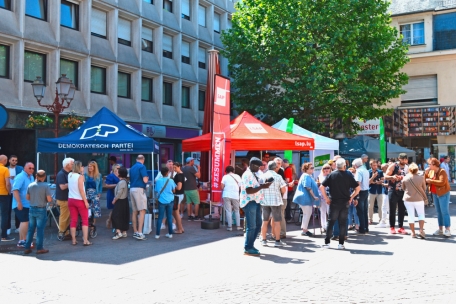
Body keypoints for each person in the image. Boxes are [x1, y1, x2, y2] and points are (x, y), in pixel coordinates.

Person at [319, 158, 360, 250]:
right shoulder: (348, 175)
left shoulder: (331, 175)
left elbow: (322, 187)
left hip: (334, 201)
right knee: (342, 222)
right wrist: (351, 197)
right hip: (345, 201)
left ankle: (327, 243)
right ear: (344, 166)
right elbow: (358, 188)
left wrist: (326, 198)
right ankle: (341, 244)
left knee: (331, 222)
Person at [240, 157, 272, 256]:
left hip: (256, 201)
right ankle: (248, 247)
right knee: (252, 226)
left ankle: (251, 245)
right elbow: (249, 191)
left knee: (258, 224)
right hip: (249, 202)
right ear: (252, 165)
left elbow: (259, 182)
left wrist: (267, 182)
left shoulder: (255, 173)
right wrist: (262, 186)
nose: (259, 168)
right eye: (258, 166)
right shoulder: (247, 174)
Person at [24, 170, 52, 254]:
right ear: (44, 177)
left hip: (32, 208)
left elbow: (27, 198)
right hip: (41, 209)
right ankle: (39, 248)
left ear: (36, 176)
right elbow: (49, 199)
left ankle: (27, 247)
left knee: (31, 229)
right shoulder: (45, 186)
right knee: (40, 229)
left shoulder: (30, 185)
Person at [260, 161, 287, 247]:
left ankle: (264, 240)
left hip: (265, 201)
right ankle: (277, 241)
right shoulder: (278, 176)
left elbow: (259, 189)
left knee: (264, 221)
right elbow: (284, 190)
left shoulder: (263, 176)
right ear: (276, 168)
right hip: (276, 201)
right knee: (277, 221)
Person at [425, 158, 451, 237]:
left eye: (429, 164)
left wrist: (431, 181)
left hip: (443, 193)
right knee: (439, 212)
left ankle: (447, 229)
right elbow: (426, 180)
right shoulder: (431, 171)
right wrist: (426, 173)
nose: (428, 166)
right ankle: (440, 229)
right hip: (435, 193)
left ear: (434, 165)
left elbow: (442, 182)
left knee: (444, 212)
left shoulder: (442, 171)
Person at [384, 153, 409, 235]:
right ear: (399, 159)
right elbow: (385, 176)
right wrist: (392, 177)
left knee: (402, 209)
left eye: (405, 159)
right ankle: (392, 227)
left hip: (403, 190)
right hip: (393, 190)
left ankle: (401, 227)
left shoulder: (407, 167)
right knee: (392, 209)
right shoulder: (393, 166)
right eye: (403, 159)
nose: (404, 160)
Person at [293, 162, 320, 237]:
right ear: (306, 169)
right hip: (304, 197)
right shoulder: (306, 176)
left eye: (313, 168)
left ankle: (304, 229)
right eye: (311, 168)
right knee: (307, 213)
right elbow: (307, 187)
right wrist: (314, 196)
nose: (313, 169)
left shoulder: (307, 176)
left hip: (304, 197)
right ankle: (305, 230)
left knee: (307, 213)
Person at [68, 161, 91, 246]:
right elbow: (81, 190)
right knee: (85, 220)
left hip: (71, 199)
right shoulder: (80, 176)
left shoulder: (69, 175)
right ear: (79, 167)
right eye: (82, 166)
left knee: (73, 220)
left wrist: (81, 173)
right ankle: (85, 240)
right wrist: (85, 201)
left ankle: (73, 240)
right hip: (79, 200)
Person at [12, 162, 35, 248]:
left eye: (33, 168)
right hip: (21, 204)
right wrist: (19, 202)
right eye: (30, 168)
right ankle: (23, 240)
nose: (31, 170)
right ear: (24, 168)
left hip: (28, 204)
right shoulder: (20, 177)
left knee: (25, 221)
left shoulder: (31, 177)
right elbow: (15, 190)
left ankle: (22, 240)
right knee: (24, 221)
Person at [402, 163, 427, 239]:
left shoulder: (405, 178)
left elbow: (403, 188)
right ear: (417, 170)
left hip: (408, 199)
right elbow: (424, 188)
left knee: (411, 215)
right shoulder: (421, 178)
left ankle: (413, 232)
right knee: (421, 214)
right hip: (419, 198)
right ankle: (421, 230)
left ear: (409, 170)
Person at [129, 155, 149, 240]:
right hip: (139, 189)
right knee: (142, 210)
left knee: (134, 211)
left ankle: (135, 231)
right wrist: (147, 178)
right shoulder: (142, 166)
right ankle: (140, 232)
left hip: (132, 188)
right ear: (143, 160)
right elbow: (145, 180)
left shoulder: (132, 167)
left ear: (136, 159)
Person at [155, 167, 177, 239]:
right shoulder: (171, 181)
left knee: (160, 218)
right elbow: (174, 190)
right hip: (170, 200)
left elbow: (156, 190)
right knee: (169, 217)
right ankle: (170, 233)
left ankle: (157, 235)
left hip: (161, 200)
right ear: (167, 173)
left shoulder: (158, 181)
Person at [55, 157, 74, 240]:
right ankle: (61, 232)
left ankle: (66, 232)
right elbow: (62, 187)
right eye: (72, 164)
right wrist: (71, 183)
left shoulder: (68, 173)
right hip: (63, 199)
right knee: (64, 216)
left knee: (68, 216)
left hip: (67, 198)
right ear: (67, 165)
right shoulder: (61, 174)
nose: (73, 165)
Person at [221, 166, 242, 231]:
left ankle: (229, 227)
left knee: (228, 210)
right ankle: (238, 226)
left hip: (226, 195)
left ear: (226, 171)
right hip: (235, 195)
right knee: (236, 210)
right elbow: (241, 187)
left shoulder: (225, 177)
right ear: (233, 170)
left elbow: (221, 187)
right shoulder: (237, 176)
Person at [111, 167, 130, 240]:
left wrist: (115, 199)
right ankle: (124, 231)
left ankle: (118, 232)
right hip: (124, 200)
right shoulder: (125, 181)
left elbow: (119, 193)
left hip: (120, 201)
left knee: (116, 216)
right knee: (123, 216)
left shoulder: (122, 182)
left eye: (117, 172)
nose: (116, 173)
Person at [7, 155, 23, 235]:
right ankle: (8, 227)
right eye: (13, 160)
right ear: (9, 160)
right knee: (7, 210)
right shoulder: (6, 169)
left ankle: (18, 226)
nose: (14, 162)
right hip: (8, 192)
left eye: (16, 160)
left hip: (17, 192)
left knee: (18, 209)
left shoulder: (20, 168)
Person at [182, 157, 202, 221]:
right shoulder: (191, 168)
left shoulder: (183, 168)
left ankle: (189, 216)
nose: (194, 162)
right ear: (190, 161)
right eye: (193, 161)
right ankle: (196, 216)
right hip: (192, 188)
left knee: (188, 202)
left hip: (186, 188)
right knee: (196, 202)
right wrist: (198, 169)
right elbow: (198, 176)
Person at [353, 158, 369, 234]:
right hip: (366, 191)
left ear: (356, 165)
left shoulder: (359, 171)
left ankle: (362, 228)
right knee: (365, 211)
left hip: (361, 192)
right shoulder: (365, 169)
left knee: (360, 211)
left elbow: (357, 184)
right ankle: (366, 227)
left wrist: (355, 196)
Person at [0, 155, 14, 241]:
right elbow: (7, 183)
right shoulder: (5, 169)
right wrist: (9, 192)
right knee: (4, 214)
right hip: (4, 194)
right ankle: (4, 236)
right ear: (5, 160)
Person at [84, 161, 102, 226]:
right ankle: (87, 222)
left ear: (94, 167)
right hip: (87, 193)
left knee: (95, 209)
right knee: (88, 208)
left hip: (95, 193)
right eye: (88, 166)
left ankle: (93, 224)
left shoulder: (99, 175)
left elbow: (100, 185)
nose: (89, 168)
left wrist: (99, 193)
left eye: (91, 166)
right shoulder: (86, 175)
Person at [368, 160, 384, 225]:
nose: (375, 166)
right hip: (371, 190)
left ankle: (381, 219)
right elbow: (368, 182)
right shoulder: (368, 172)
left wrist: (378, 182)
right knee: (370, 206)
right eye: (374, 165)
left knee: (380, 206)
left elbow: (382, 180)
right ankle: (370, 219)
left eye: (376, 165)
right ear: (371, 165)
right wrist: (373, 177)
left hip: (379, 190)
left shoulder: (380, 172)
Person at [105, 164, 121, 228]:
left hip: (118, 194)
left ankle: (110, 221)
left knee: (116, 209)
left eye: (119, 168)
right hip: (112, 194)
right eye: (117, 168)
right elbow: (107, 185)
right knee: (114, 209)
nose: (119, 169)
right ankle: (110, 221)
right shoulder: (111, 176)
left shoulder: (120, 176)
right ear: (114, 168)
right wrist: (117, 185)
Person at [317, 163, 332, 233]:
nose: (326, 170)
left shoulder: (332, 176)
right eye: (325, 169)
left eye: (328, 168)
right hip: (322, 197)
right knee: (322, 212)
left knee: (329, 212)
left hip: (330, 197)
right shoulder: (319, 177)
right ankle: (324, 226)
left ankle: (330, 226)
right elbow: (318, 187)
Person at [376, 163, 390, 228]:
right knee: (386, 207)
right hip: (385, 192)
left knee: (384, 207)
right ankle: (387, 221)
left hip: (387, 193)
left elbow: (389, 185)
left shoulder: (389, 174)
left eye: (383, 168)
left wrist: (382, 183)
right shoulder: (386, 174)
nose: (382, 169)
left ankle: (383, 221)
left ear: (387, 167)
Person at [172, 162, 185, 234]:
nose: (174, 169)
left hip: (177, 195)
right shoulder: (181, 174)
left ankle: (180, 229)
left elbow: (179, 187)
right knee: (176, 212)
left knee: (176, 213)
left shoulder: (179, 175)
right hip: (179, 195)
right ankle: (181, 228)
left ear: (179, 166)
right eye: (173, 167)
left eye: (175, 167)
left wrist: (173, 188)